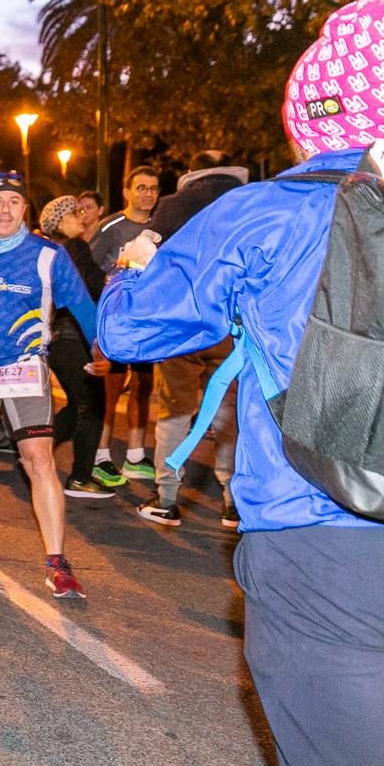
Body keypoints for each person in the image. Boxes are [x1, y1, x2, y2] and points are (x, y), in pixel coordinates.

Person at [99, 0, 384, 766]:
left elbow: (127, 332)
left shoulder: (265, 211)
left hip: (320, 549)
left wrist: (132, 266)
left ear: (306, 111)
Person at [0, 170, 107, 598]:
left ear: (25, 209)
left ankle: (57, 561)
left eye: (13, 202)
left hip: (25, 370)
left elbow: (83, 306)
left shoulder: (48, 255)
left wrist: (101, 350)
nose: (5, 209)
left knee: (38, 460)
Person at [130, 150, 248, 528]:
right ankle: (232, 501)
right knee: (229, 414)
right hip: (231, 325)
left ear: (193, 172)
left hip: (182, 326)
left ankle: (166, 499)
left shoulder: (174, 205)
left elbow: (144, 258)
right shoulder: (249, 202)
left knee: (174, 411)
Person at [37, 195, 112, 498]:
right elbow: (92, 282)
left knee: (76, 404)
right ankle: (80, 478)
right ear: (60, 222)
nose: (81, 217)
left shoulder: (50, 249)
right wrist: (118, 275)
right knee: (92, 406)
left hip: (57, 338)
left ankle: (35, 451)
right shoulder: (74, 247)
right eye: (74, 213)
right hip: (74, 338)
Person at [91, 165, 161, 484]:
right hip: (116, 320)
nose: (148, 194)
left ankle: (135, 454)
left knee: (143, 387)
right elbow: (89, 270)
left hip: (146, 322)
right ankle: (101, 455)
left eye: (153, 188)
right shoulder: (110, 227)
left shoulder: (160, 227)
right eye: (141, 188)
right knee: (111, 388)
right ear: (127, 192)